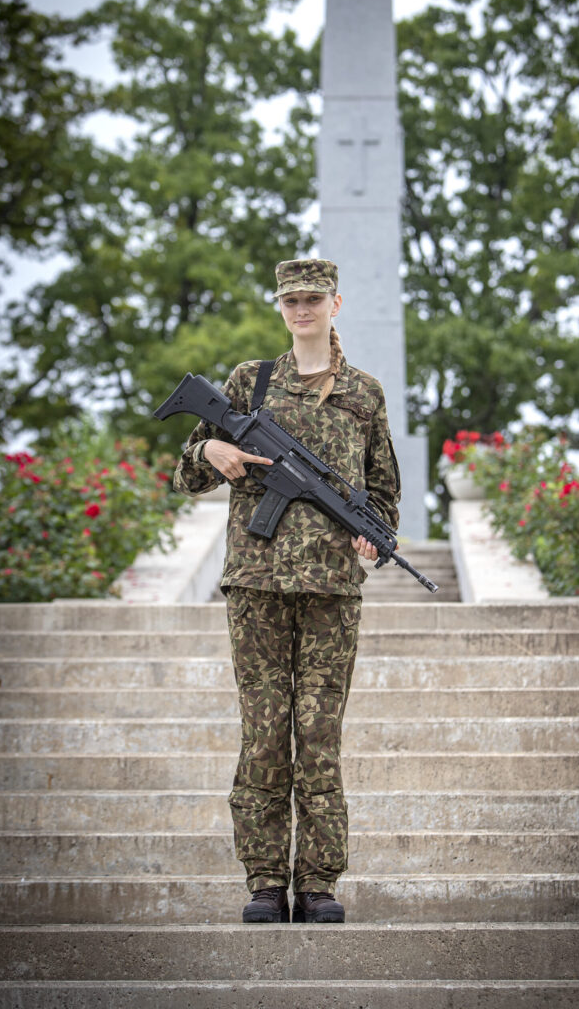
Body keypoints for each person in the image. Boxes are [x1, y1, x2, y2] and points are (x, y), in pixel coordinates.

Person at [173, 258, 401, 924]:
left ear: (335, 303)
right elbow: (188, 474)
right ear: (280, 307)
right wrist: (208, 454)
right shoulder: (250, 382)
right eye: (290, 300)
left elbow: (381, 494)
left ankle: (320, 883)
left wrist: (372, 540)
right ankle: (266, 882)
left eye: (312, 299)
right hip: (257, 585)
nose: (300, 309)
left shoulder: (363, 392)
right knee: (265, 737)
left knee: (319, 738)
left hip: (331, 589)